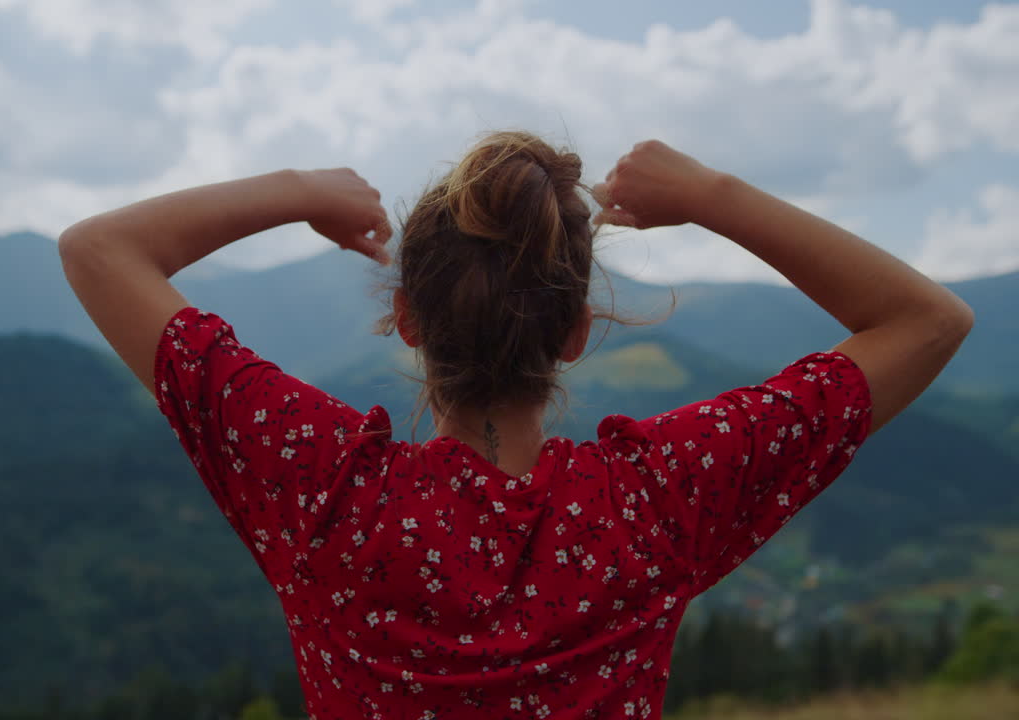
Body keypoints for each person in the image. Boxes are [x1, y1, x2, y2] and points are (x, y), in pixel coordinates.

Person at [58, 134, 973, 719]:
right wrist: (712, 194)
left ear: (409, 324)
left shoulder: (324, 487)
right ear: (576, 335)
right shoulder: (655, 503)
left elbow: (98, 250)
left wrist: (300, 189)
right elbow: (928, 321)